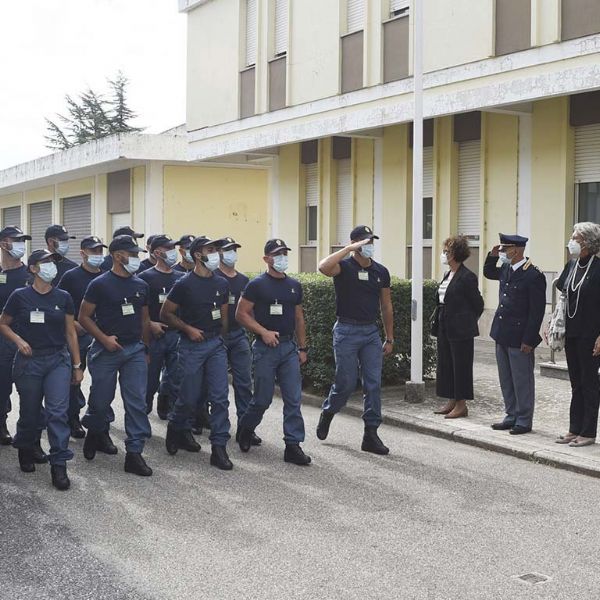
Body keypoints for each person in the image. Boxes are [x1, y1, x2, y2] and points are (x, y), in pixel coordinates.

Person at [0, 249, 82, 490]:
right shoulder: (19, 296)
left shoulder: (64, 296)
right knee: (30, 412)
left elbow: (70, 332)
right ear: (33, 268)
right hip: (30, 361)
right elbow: (3, 324)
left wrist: (77, 365)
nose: (50, 267)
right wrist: (18, 341)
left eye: (52, 263)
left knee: (57, 412)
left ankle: (59, 463)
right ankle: (26, 446)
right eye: (45, 263)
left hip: (58, 360)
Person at [79, 234, 153, 476]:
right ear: (118, 255)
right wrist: (103, 339)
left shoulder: (141, 285)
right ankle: (95, 432)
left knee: (136, 403)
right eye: (132, 254)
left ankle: (134, 453)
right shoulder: (99, 284)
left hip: (134, 351)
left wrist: (146, 348)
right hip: (106, 350)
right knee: (101, 400)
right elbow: (84, 317)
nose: (135, 259)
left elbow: (144, 319)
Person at [315, 225, 393, 455]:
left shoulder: (380, 271)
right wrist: (347, 249)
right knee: (346, 383)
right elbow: (323, 267)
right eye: (364, 242)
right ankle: (329, 410)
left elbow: (386, 305)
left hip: (370, 333)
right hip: (346, 330)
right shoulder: (343, 267)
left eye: (371, 242)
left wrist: (389, 338)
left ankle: (370, 433)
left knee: (373, 384)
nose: (369, 246)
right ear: (355, 244)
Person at [236, 238, 311, 466]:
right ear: (266, 259)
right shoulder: (257, 285)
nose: (282, 258)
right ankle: (246, 428)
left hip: (288, 348)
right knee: (262, 399)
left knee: (293, 398)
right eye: (277, 254)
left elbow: (298, 317)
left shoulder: (293, 285)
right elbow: (241, 314)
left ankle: (293, 444)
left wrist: (302, 347)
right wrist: (263, 331)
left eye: (284, 254)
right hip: (265, 348)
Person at [160, 236, 233, 470]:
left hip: (215, 345)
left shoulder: (221, 283)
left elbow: (223, 316)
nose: (215, 253)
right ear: (197, 255)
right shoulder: (183, 284)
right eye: (210, 250)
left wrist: (221, 339)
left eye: (216, 249)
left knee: (220, 397)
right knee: (189, 397)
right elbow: (166, 313)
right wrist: (187, 329)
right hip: (191, 346)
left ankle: (219, 447)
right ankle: (176, 428)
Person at [484, 234, 546, 435]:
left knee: (522, 379)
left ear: (516, 250)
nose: (502, 252)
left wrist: (529, 339)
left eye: (505, 249)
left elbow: (536, 312)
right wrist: (492, 255)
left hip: (520, 336)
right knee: (506, 378)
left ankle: (524, 419)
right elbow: (488, 272)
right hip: (502, 332)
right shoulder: (506, 269)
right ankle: (511, 415)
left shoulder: (533, 275)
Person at [554, 223, 600, 447]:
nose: (571, 241)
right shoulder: (571, 265)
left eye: (576, 238)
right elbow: (563, 292)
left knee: (589, 383)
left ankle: (589, 431)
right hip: (572, 332)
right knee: (576, 383)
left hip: (591, 335)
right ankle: (575, 428)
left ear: (588, 243)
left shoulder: (599, 268)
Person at [58, 236, 107, 438]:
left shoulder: (105, 277)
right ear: (82, 253)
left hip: (102, 335)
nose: (97, 255)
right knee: (75, 378)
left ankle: (98, 421)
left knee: (102, 382)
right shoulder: (71, 276)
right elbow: (58, 302)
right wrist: (72, 324)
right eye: (93, 251)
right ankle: (72, 418)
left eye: (99, 251)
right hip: (78, 335)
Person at [214, 236, 260, 445]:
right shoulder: (213, 277)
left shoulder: (243, 281)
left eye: (234, 249)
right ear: (219, 253)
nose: (232, 254)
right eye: (228, 250)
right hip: (216, 338)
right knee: (219, 387)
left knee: (244, 383)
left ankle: (246, 427)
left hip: (238, 335)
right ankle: (218, 427)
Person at [431, 236, 484, 419]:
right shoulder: (448, 274)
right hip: (445, 325)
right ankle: (451, 400)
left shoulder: (467, 276)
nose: (444, 254)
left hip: (461, 329)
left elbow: (478, 304)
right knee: (446, 364)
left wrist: (466, 320)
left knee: (460, 366)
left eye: (446, 251)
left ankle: (462, 405)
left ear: (455, 254)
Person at [138, 235, 184, 419]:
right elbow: (138, 310)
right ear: (157, 252)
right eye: (168, 248)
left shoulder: (181, 278)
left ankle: (172, 414)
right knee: (149, 382)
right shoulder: (144, 278)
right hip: (153, 337)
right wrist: (150, 324)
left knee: (176, 380)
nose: (173, 252)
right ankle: (142, 416)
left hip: (175, 336)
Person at [0, 226, 34, 448]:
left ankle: (30, 435)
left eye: (24, 240)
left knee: (31, 390)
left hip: (27, 339)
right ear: (4, 244)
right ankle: (1, 423)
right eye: (17, 239)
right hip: (2, 339)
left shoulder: (30, 275)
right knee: (2, 386)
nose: (22, 244)